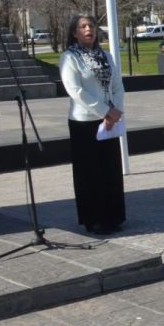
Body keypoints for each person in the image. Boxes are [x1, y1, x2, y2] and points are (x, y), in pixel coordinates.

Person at [59, 14, 126, 235]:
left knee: (110, 169)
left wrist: (113, 111)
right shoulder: (70, 57)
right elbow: (76, 90)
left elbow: (117, 85)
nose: (88, 29)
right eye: (83, 26)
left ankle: (113, 216)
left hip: (109, 120)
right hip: (84, 121)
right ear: (74, 32)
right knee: (90, 172)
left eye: (91, 26)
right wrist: (105, 111)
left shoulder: (105, 56)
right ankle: (93, 218)